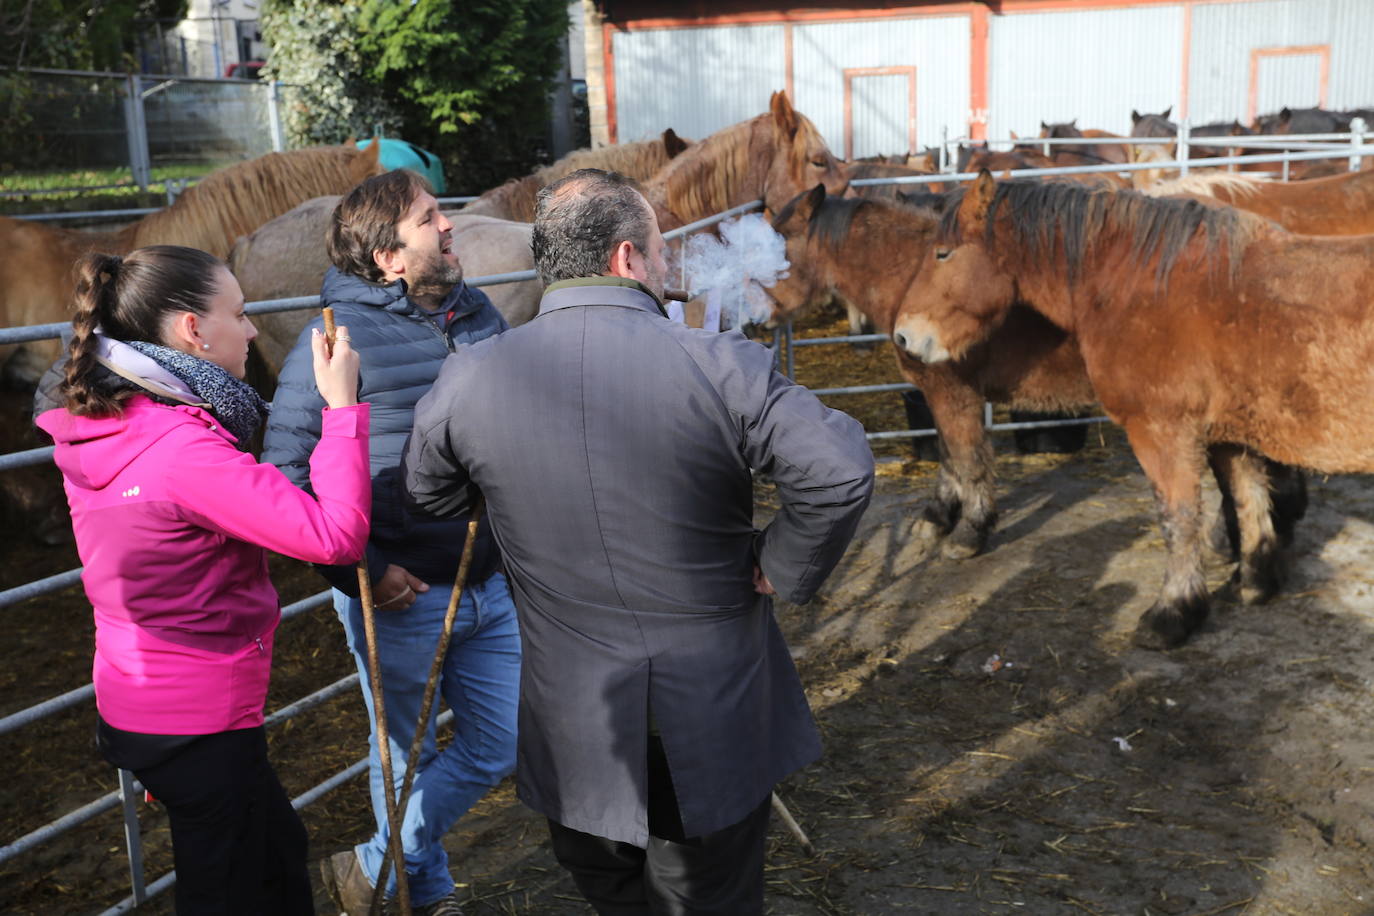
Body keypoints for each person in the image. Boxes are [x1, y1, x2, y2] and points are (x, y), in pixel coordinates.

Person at [401, 168, 875, 914]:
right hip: (712, 707)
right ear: (627, 258)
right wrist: (778, 563)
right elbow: (840, 469)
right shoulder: (718, 363)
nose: (665, 268)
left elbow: (428, 492)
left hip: (577, 718)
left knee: (615, 892)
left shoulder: (470, 378)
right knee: (708, 895)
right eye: (659, 251)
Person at [34, 244, 370, 914]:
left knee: (275, 851)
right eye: (239, 314)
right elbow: (335, 536)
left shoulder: (108, 422)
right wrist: (339, 410)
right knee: (230, 889)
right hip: (198, 717)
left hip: (144, 697)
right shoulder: (185, 450)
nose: (251, 331)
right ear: (193, 329)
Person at [262, 169, 520, 915]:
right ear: (388, 258)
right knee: (406, 755)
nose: (449, 227)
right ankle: (424, 893)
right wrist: (363, 573)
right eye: (429, 219)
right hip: (400, 593)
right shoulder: (333, 339)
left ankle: (374, 868)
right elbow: (284, 475)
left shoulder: (478, 316)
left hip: (489, 578)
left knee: (497, 745)